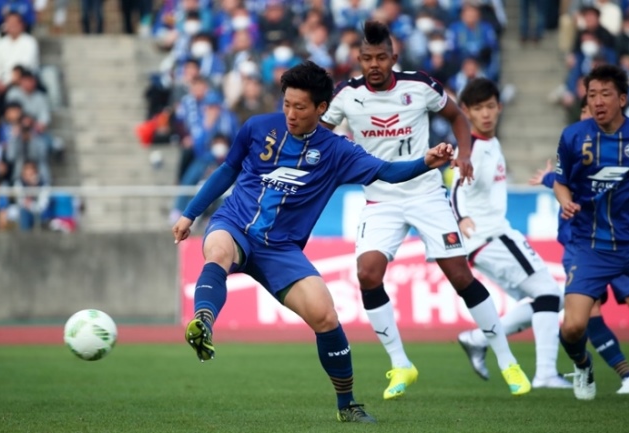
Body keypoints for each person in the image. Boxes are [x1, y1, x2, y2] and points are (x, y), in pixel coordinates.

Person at [171, 60, 455, 423]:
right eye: (287, 104)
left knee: (325, 315)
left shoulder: (337, 151)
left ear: (321, 108)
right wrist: (190, 213)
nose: (291, 114)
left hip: (281, 249)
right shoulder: (257, 127)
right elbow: (228, 170)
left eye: (300, 107)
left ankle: (347, 405)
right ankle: (204, 321)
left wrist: (425, 162)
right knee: (218, 251)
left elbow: (386, 171)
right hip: (235, 223)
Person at [320, 20, 531, 399]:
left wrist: (464, 153)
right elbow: (318, 132)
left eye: (380, 57)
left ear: (393, 57)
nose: (373, 65)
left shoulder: (418, 85)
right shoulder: (346, 95)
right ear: (358, 59)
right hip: (380, 199)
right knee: (367, 274)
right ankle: (401, 364)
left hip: (425, 194)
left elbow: (457, 116)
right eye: (367, 58)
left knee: (460, 275)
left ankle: (506, 360)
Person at [451, 78, 571, 389]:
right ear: (465, 111)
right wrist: (461, 217)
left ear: (500, 107)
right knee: (549, 294)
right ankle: (545, 374)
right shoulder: (473, 149)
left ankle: (478, 339)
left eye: (490, 106)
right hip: (490, 236)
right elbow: (455, 188)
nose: (486, 114)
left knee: (550, 299)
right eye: (478, 108)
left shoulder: (490, 142)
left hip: (487, 240)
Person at [529, 95, 629, 395]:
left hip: (620, 241)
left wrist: (549, 178)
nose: (591, 116)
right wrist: (550, 179)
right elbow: (563, 180)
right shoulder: (576, 147)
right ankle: (620, 373)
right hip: (580, 244)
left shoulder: (616, 150)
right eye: (585, 111)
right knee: (584, 317)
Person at [554, 64, 629, 400]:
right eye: (592, 94)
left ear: (622, 99)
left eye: (605, 94)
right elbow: (560, 182)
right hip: (590, 246)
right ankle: (582, 364)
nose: (598, 101)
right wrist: (565, 201)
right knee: (573, 327)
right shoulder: (573, 136)